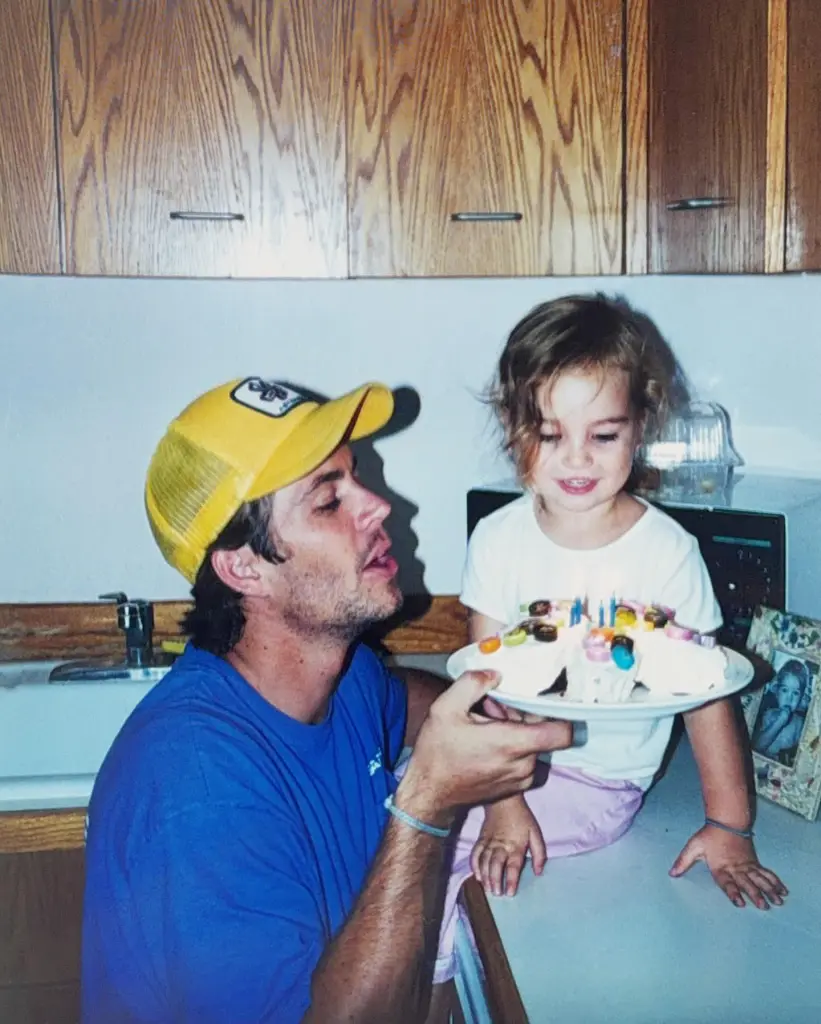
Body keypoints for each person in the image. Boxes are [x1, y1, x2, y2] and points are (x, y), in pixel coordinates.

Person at [81, 376, 575, 1024]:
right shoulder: (193, 789)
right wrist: (425, 802)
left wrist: (479, 708)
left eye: (357, 478)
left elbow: (402, 697)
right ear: (243, 568)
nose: (378, 506)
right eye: (327, 500)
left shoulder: (342, 678)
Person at [454, 294, 788, 912]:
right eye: (550, 435)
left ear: (641, 426)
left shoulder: (666, 552)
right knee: (387, 816)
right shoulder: (497, 540)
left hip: (595, 780)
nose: (577, 458)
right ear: (512, 429)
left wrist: (730, 827)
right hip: (504, 768)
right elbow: (485, 690)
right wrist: (504, 801)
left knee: (438, 861)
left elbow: (708, 697)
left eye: (603, 434)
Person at [751, 658, 811, 766]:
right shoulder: (769, 715)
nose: (789, 698)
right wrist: (779, 721)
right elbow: (757, 747)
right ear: (777, 692)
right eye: (784, 690)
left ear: (801, 697)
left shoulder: (800, 723)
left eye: (795, 693)